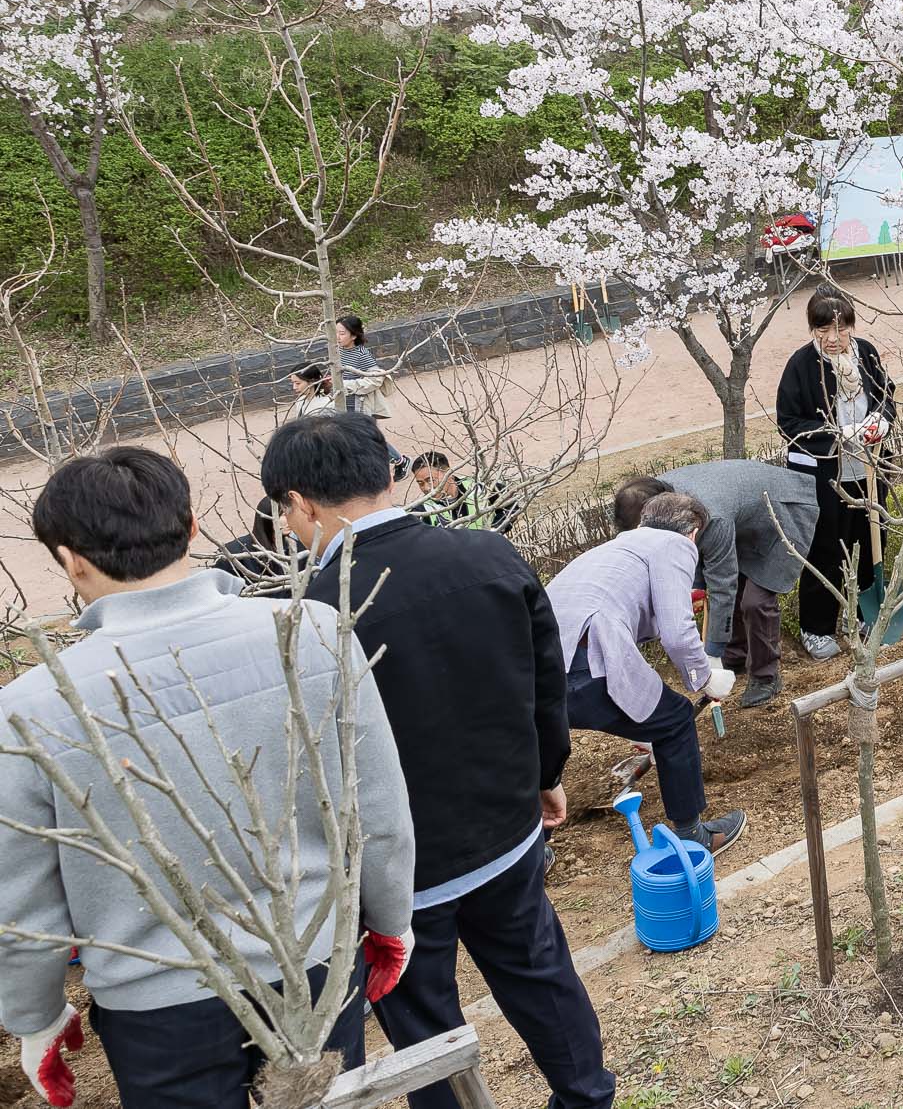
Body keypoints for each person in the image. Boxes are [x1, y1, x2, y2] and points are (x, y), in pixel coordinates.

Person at [1, 447, 415, 1109]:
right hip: (313, 962)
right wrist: (392, 920)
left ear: (68, 559)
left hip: (157, 1003)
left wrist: (35, 1018)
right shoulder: (311, 629)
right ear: (193, 526)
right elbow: (377, 809)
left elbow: (24, 905)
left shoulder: (32, 705)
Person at [274, 414, 615, 1109]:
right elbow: (544, 679)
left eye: (285, 512)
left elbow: (315, 763)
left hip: (399, 874)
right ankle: (587, 1096)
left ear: (302, 502)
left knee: (425, 1025)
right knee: (539, 970)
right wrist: (548, 775)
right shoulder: (489, 554)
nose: (289, 527)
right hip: (505, 828)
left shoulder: (314, 614)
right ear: (388, 472)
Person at [546, 492, 745, 852]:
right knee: (675, 720)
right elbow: (678, 633)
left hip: (534, 666)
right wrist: (706, 677)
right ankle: (692, 836)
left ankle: (533, 854)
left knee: (538, 757)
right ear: (694, 533)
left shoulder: (618, 548)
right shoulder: (676, 545)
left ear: (642, 521)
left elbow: (620, 602)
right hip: (583, 666)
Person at [619, 460, 821, 709]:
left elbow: (722, 586)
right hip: (742, 514)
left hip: (783, 511)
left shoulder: (706, 515)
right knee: (732, 586)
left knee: (755, 601)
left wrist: (711, 652)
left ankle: (765, 676)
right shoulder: (655, 496)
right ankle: (735, 655)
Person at [776, 286, 896, 660]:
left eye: (841, 330)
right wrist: (837, 435)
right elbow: (789, 421)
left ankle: (861, 614)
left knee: (871, 538)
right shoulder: (801, 365)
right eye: (823, 331)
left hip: (869, 468)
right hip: (825, 476)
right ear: (812, 329)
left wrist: (881, 421)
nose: (832, 339)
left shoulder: (867, 354)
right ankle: (816, 627)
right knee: (826, 548)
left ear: (851, 327)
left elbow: (885, 395)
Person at [408, 450, 517, 533]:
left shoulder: (476, 487)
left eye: (431, 480)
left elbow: (511, 504)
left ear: (448, 473)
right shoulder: (422, 511)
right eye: (420, 483)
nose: (427, 488)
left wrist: (494, 530)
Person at [334, 315, 388, 418]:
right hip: (341, 404)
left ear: (354, 336)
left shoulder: (362, 354)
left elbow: (376, 379)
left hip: (357, 408)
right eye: (335, 332)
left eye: (341, 333)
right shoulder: (337, 351)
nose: (337, 337)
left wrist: (345, 385)